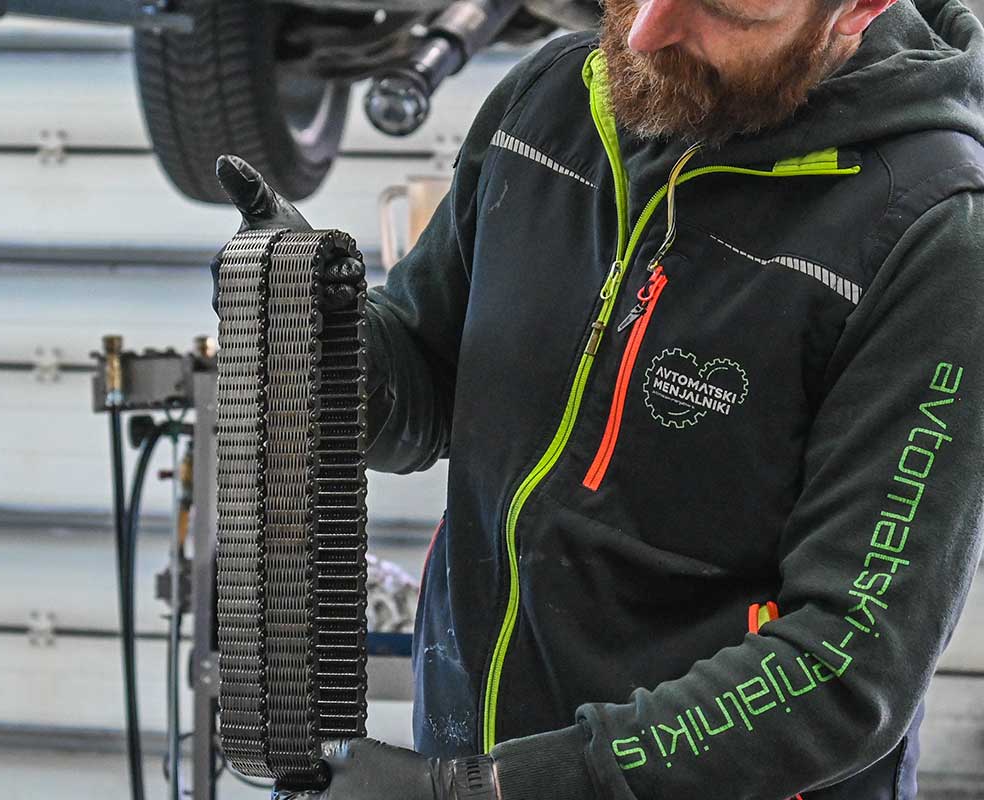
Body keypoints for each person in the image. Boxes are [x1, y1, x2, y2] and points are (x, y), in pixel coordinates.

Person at [212, 0, 984, 797]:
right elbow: (431, 385)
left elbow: (845, 668)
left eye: (720, 9)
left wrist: (493, 788)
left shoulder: (934, 234)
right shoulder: (551, 100)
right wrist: (318, 335)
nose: (646, 32)